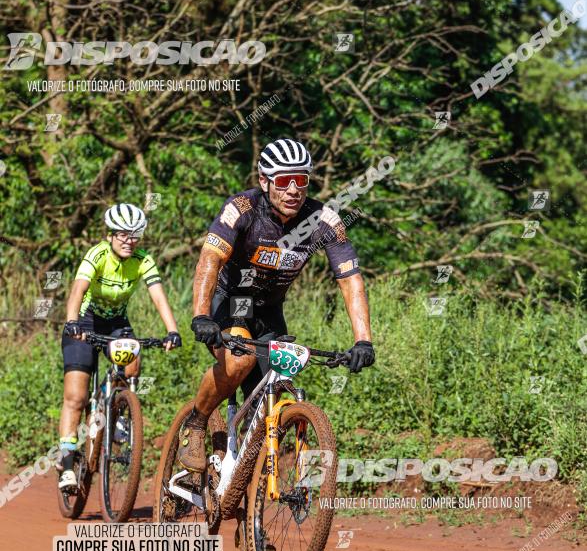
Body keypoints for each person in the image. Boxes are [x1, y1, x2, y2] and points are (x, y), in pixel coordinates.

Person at [178, 137, 375, 473]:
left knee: (278, 386)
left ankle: (245, 478)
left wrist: (363, 340)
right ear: (264, 181)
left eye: (302, 180)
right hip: (235, 301)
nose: (294, 189)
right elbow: (210, 259)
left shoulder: (325, 219)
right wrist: (201, 315)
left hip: (270, 309)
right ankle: (196, 423)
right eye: (284, 181)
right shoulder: (242, 208)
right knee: (239, 363)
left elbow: (350, 279)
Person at [58, 203, 181, 492]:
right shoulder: (97, 255)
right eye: (123, 234)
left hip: (115, 323)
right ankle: (65, 465)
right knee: (75, 396)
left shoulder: (143, 260)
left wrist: (172, 330)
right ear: (110, 234)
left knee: (133, 361)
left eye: (135, 235)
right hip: (85, 323)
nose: (129, 240)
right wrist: (72, 322)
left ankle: (115, 406)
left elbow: (158, 296)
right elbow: (78, 290)